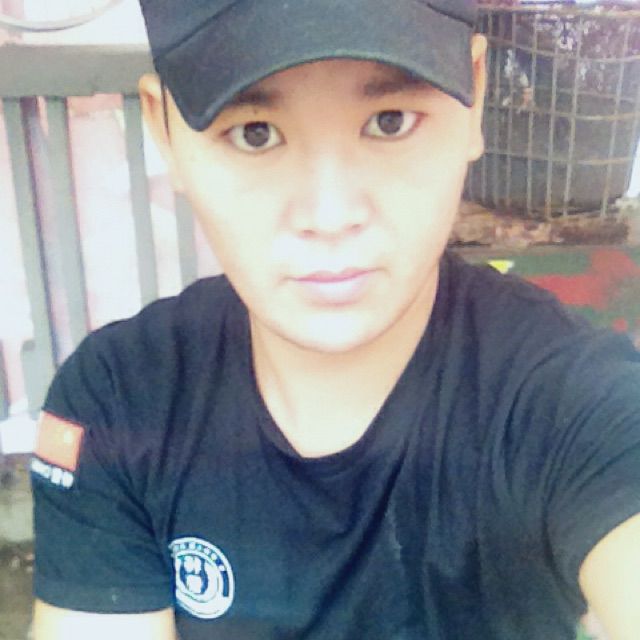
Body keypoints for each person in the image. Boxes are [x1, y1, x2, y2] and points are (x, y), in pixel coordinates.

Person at [30, 1, 640, 639]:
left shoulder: (568, 402)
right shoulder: (121, 402)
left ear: (475, 99)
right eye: (255, 132)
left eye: (389, 122)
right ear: (165, 132)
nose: (329, 215)